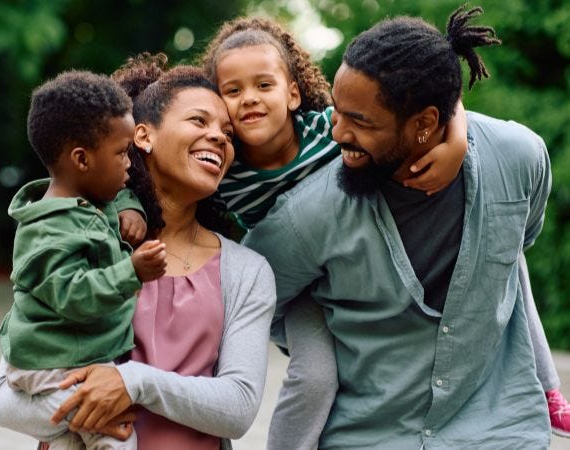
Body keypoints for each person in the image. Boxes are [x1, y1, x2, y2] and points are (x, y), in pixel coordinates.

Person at [194, 15, 570, 448]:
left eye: (360, 122)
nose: (336, 132)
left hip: (505, 432)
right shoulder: (308, 210)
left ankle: (549, 387)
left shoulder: (520, 157)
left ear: (425, 123)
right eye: (337, 110)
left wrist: (459, 134)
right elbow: (248, 295)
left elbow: (521, 237)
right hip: (372, 436)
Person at [0, 55, 276, 450]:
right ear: (143, 136)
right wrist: (80, 407)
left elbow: (239, 407)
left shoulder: (246, 270)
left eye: (228, 133)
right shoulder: (83, 235)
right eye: (199, 121)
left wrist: (133, 382)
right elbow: (5, 398)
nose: (218, 137)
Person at [0, 70, 168, 450]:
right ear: (81, 159)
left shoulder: (93, 198)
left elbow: (115, 194)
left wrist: (131, 208)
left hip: (75, 357)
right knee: (114, 432)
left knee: (73, 441)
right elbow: (73, 296)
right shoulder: (47, 231)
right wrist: (131, 272)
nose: (130, 165)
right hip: (51, 365)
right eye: (122, 153)